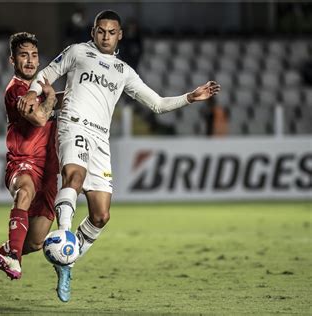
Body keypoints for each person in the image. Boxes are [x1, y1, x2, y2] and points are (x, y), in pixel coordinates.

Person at [18, 10, 221, 302]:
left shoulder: (124, 71)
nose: (105, 36)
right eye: (100, 31)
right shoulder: (77, 52)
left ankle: (67, 261)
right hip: (73, 124)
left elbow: (158, 104)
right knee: (74, 177)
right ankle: (64, 237)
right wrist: (31, 93)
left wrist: (189, 97)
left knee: (101, 216)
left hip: (101, 138)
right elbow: (46, 74)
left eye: (111, 32)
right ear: (93, 31)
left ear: (120, 35)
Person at [0, 32, 59, 304]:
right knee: (24, 191)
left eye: (34, 56)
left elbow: (55, 101)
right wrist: (51, 98)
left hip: (49, 170)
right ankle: (13, 258)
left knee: (36, 241)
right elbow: (40, 119)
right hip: (23, 160)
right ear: (12, 60)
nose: (30, 61)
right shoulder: (16, 90)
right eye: (23, 55)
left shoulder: (38, 88)